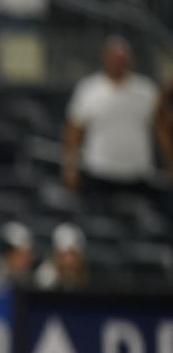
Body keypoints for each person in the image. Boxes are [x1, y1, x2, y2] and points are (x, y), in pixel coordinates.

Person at [62, 37, 164, 208]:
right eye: (114, 58)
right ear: (105, 59)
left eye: (122, 59)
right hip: (99, 170)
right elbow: (74, 130)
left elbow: (161, 129)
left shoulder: (146, 90)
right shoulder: (88, 89)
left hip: (137, 172)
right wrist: (70, 167)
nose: (118, 63)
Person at [35, 222, 88, 290]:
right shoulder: (45, 277)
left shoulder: (81, 274)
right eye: (66, 254)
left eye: (74, 255)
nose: (70, 259)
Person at [0, 221, 34, 285]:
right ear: (8, 252)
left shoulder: (30, 279)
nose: (27, 258)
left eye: (27, 254)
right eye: (19, 253)